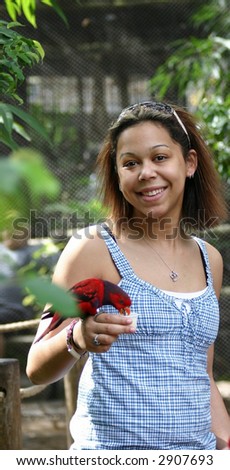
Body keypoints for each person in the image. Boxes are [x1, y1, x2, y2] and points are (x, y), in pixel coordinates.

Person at [26, 101, 230, 450]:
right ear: (118, 175)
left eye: (160, 157)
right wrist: (78, 337)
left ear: (190, 163)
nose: (146, 172)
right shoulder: (92, 248)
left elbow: (202, 374)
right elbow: (37, 367)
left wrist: (225, 441)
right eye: (130, 163)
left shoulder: (208, 258)